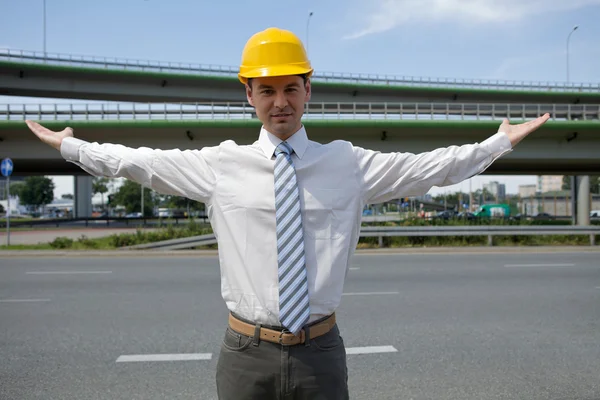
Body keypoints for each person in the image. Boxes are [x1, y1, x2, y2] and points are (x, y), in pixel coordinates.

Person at [25, 27, 549, 400]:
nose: (281, 102)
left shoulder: (347, 164)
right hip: (245, 353)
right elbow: (137, 163)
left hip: (321, 352)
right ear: (248, 94)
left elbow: (430, 168)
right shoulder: (220, 166)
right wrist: (73, 149)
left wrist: (496, 143)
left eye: (291, 89)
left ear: (308, 90)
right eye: (268, 90)